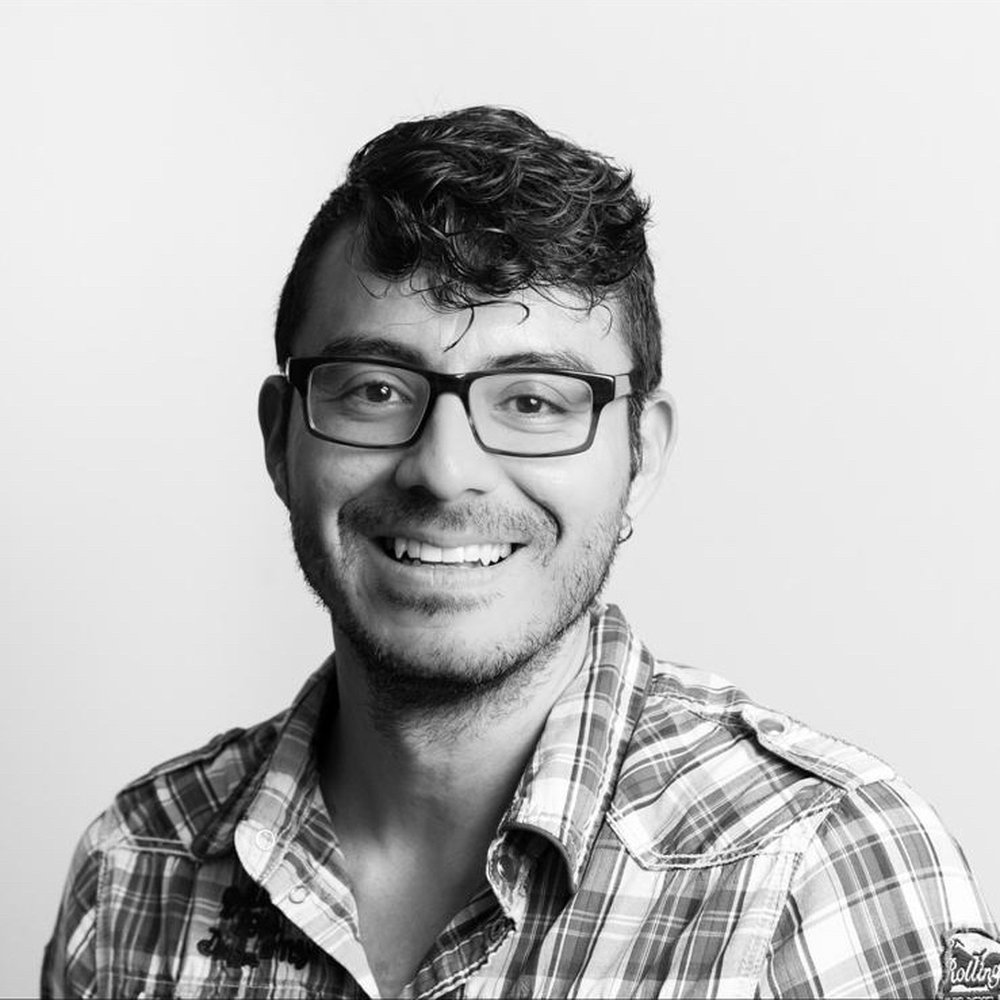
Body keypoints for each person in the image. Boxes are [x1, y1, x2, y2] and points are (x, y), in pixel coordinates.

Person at [42, 106, 997, 1000]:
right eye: (375, 390)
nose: (445, 470)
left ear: (642, 455)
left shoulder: (826, 871)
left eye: (533, 401)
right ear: (279, 439)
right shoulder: (134, 871)